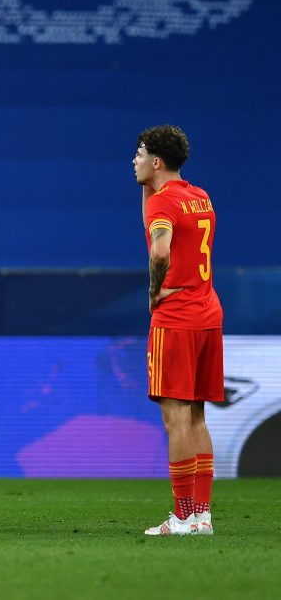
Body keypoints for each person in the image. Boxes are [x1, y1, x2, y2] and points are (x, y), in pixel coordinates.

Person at [133, 125, 222, 537]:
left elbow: (159, 248)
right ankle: (201, 516)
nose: (133, 160)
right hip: (208, 312)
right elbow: (157, 220)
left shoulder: (164, 204)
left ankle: (182, 516)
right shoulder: (198, 196)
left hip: (177, 315)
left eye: (139, 153)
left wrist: (154, 292)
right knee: (198, 416)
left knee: (176, 420)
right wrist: (147, 187)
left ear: (157, 161)